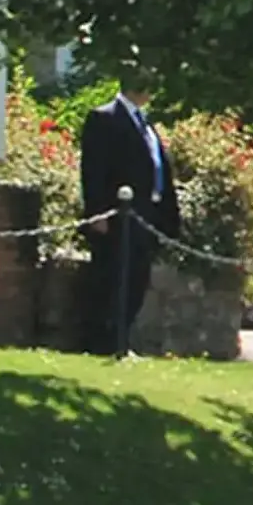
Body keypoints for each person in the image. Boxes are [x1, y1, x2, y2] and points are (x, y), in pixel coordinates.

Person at [79, 84, 181, 355]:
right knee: (113, 279)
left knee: (137, 280)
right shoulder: (105, 118)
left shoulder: (146, 124)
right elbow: (94, 169)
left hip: (145, 216)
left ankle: (121, 341)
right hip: (117, 217)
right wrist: (97, 212)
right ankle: (103, 343)